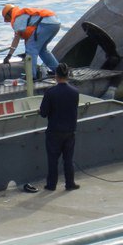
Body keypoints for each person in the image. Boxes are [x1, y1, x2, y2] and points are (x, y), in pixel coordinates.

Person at [38, 62, 80, 191]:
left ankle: (51, 185)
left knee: (53, 160)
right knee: (68, 159)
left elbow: (44, 113)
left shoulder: (50, 92)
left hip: (54, 130)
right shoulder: (75, 92)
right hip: (70, 130)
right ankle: (70, 183)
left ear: (56, 75)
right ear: (67, 75)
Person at [1, 3, 61, 76]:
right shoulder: (23, 14)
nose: (10, 21)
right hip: (55, 23)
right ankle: (58, 71)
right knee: (42, 50)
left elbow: (16, 38)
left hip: (46, 24)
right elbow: (29, 37)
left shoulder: (17, 17)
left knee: (31, 49)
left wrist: (9, 55)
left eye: (8, 19)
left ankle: (31, 77)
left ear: (9, 14)